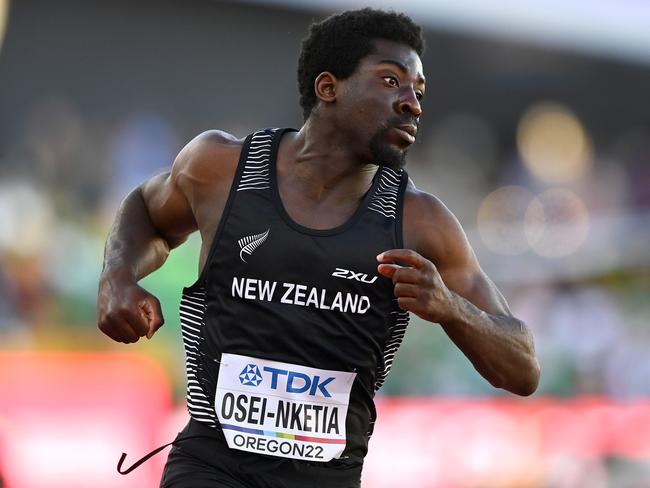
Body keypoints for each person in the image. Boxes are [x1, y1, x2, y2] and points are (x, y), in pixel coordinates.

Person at [97, 8, 540, 488]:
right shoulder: (222, 168)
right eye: (391, 81)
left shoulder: (421, 222)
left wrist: (452, 308)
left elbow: (523, 370)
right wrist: (118, 276)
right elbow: (145, 209)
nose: (412, 103)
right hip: (211, 468)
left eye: (418, 90)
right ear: (328, 88)